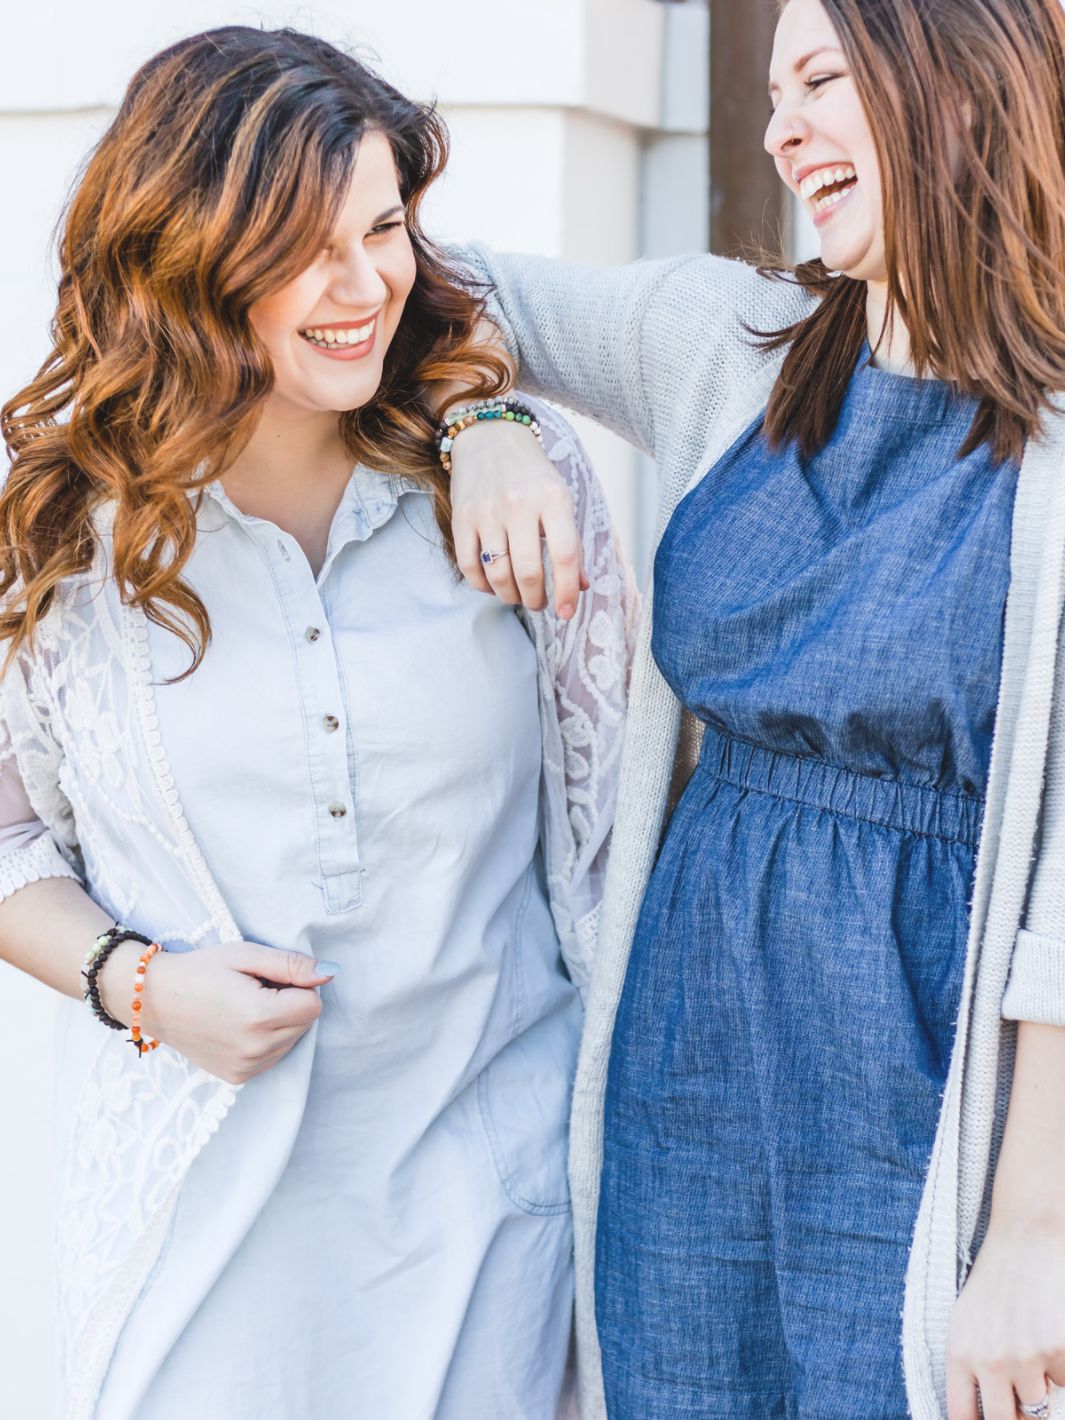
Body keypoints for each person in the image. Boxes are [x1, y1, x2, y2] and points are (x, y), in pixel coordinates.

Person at [0, 26, 636, 1419]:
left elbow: (605, 856)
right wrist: (136, 984)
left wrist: (487, 424)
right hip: (201, 1241)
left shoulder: (514, 491)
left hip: (494, 1220)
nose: (362, 289)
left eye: (386, 227)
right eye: (302, 247)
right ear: (189, 255)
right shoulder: (58, 532)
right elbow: (7, 842)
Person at [445, 1, 1065, 1416]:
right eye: (770, 90)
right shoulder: (729, 339)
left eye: (822, 81)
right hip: (694, 1046)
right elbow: (433, 283)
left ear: (957, 86)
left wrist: (1035, 1238)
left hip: (936, 1068)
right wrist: (479, 426)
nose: (780, 129)